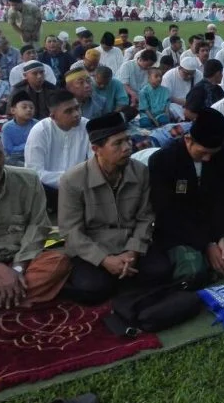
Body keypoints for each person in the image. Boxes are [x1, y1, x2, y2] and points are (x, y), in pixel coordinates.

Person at [0, 123, 70, 315]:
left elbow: (38, 227)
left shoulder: (29, 179)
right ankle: (17, 295)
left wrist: (16, 270)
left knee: (61, 254)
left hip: (27, 261)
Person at [59, 113, 171, 304]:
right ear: (97, 149)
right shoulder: (73, 180)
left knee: (161, 271)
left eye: (128, 140)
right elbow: (71, 232)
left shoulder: (140, 171)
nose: (128, 147)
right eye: (118, 143)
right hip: (94, 249)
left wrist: (133, 251)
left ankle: (123, 277)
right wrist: (104, 260)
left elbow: (146, 217)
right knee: (92, 288)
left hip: (130, 244)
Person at [150, 108, 224, 284]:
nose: (207, 159)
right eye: (202, 152)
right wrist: (206, 244)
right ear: (188, 139)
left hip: (210, 223)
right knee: (194, 273)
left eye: (211, 153)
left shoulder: (219, 155)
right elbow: (167, 214)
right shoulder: (163, 161)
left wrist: (222, 236)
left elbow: (221, 197)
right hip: (179, 229)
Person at [24, 90, 92, 210]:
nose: (76, 114)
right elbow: (34, 172)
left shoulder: (87, 126)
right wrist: (70, 180)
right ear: (53, 116)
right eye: (68, 111)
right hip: (47, 190)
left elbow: (96, 161)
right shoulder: (40, 131)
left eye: (77, 108)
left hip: (80, 188)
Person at [1, 90, 38, 166]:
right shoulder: (7, 128)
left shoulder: (37, 124)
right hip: (16, 160)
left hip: (35, 157)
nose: (29, 110)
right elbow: (10, 151)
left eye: (31, 107)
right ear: (13, 110)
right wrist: (29, 145)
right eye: (24, 107)